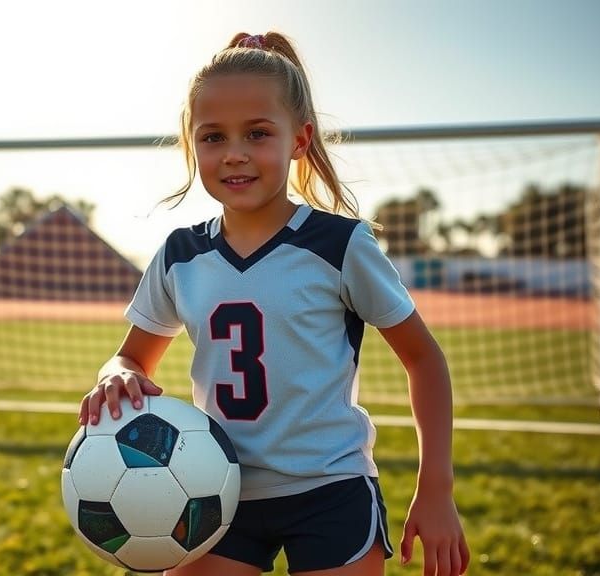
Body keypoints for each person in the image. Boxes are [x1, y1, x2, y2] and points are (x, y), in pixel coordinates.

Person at [78, 31, 469, 576]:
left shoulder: (339, 245)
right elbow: (130, 358)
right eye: (212, 137)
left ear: (300, 139)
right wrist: (112, 376)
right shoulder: (180, 254)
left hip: (331, 489)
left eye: (258, 133)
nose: (235, 153)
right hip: (212, 490)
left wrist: (436, 488)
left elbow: (424, 359)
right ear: (192, 146)